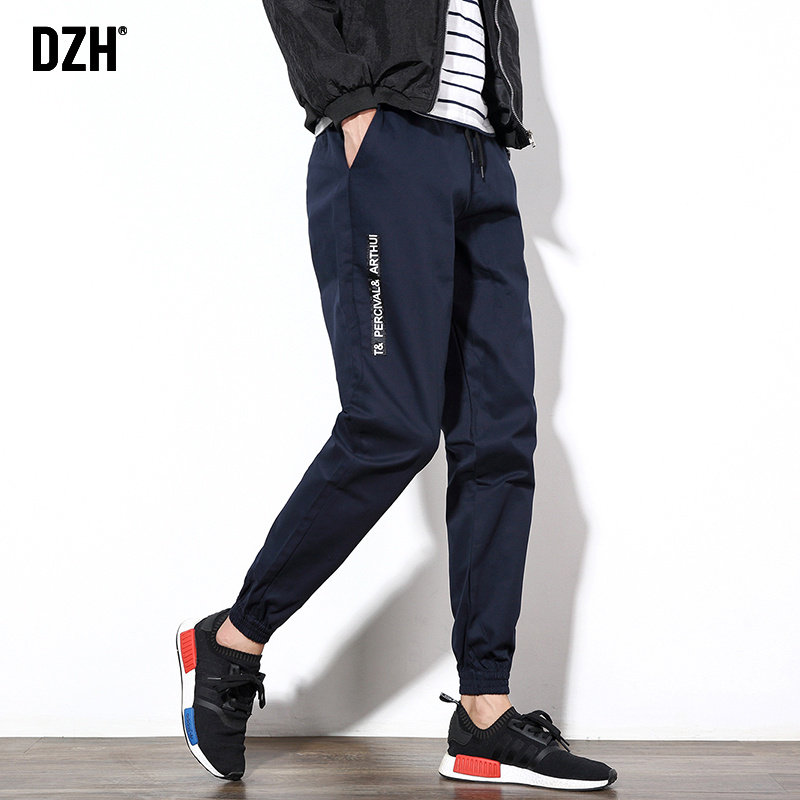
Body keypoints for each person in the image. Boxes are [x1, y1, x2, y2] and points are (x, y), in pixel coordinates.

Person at [175, 0, 618, 790]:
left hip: (483, 156)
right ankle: (234, 640)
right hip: (390, 146)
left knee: (499, 442)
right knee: (391, 426)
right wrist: (350, 106)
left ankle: (484, 717)